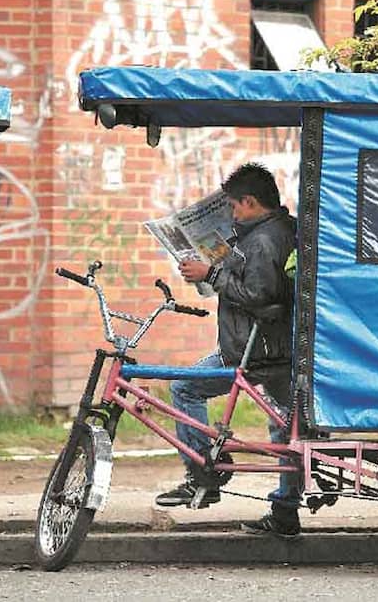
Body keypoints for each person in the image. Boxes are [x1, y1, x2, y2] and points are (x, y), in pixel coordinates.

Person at [155, 162, 302, 538]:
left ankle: (204, 473)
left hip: (253, 350)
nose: (233, 214)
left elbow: (260, 295)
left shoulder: (264, 241)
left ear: (250, 202)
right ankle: (285, 514)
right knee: (286, 428)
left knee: (184, 389)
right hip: (280, 347)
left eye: (235, 208)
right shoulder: (281, 230)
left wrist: (211, 275)